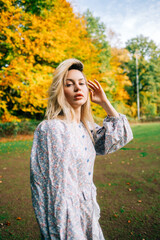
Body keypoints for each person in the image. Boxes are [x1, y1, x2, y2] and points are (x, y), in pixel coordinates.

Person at [30, 58, 133, 240]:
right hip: (67, 217)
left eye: (82, 83)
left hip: (88, 211)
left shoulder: (86, 127)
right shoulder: (52, 129)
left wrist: (104, 102)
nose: (78, 88)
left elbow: (119, 137)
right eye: (69, 84)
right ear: (60, 91)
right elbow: (55, 189)